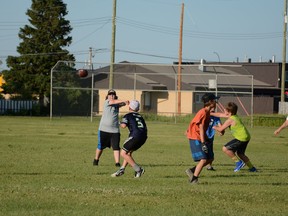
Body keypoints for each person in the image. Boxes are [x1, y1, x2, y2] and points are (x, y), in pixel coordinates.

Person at [212, 102, 257, 172]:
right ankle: (252, 168)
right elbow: (220, 114)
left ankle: (238, 163)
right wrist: (210, 113)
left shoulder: (230, 120)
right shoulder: (233, 116)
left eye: (225, 110)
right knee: (240, 154)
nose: (223, 110)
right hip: (246, 137)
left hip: (241, 138)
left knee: (225, 149)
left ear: (229, 112)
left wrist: (214, 127)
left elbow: (221, 129)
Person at [185, 93, 219, 184]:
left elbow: (203, 128)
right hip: (195, 137)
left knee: (210, 158)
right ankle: (194, 179)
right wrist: (204, 143)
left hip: (201, 137)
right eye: (214, 100)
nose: (216, 102)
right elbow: (200, 127)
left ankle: (192, 171)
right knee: (203, 159)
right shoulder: (203, 112)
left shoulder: (207, 112)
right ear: (210, 102)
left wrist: (206, 138)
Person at [111, 100, 148, 178]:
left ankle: (138, 169)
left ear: (129, 107)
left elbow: (123, 126)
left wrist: (118, 122)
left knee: (123, 153)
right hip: (144, 137)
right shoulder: (140, 116)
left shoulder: (128, 115)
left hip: (135, 136)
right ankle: (122, 169)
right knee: (128, 153)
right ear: (138, 109)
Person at [93, 89, 129, 167]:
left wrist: (127, 102)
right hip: (104, 129)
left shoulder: (117, 104)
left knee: (116, 146)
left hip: (115, 130)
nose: (111, 96)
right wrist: (124, 100)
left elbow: (122, 103)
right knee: (101, 146)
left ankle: (117, 163)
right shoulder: (107, 102)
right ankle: (96, 160)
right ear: (107, 96)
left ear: (115, 96)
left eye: (113, 95)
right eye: (110, 95)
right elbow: (113, 102)